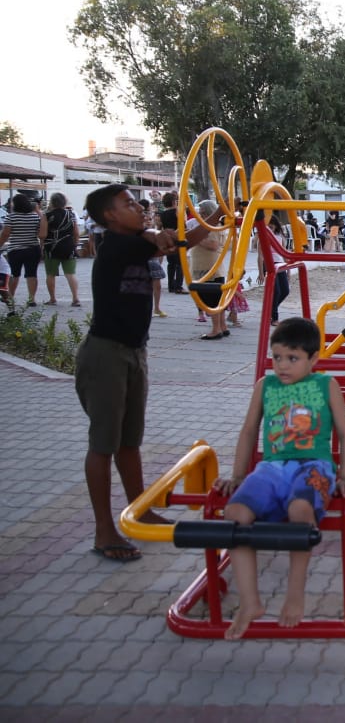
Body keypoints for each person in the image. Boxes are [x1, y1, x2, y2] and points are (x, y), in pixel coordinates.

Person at [210, 318, 345, 638]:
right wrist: (237, 474)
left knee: (300, 512)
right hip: (271, 468)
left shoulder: (325, 385)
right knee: (234, 514)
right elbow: (249, 430)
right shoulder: (266, 386)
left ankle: (295, 593)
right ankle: (251, 603)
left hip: (315, 466)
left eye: (292, 358)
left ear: (313, 359)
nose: (282, 366)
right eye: (277, 357)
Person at [75, 184, 197, 562]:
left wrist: (158, 233)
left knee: (129, 443)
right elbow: (181, 241)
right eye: (128, 204)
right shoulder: (117, 246)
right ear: (109, 216)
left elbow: (168, 239)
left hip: (133, 352)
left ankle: (139, 508)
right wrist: (213, 221)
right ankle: (104, 531)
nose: (138, 208)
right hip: (105, 355)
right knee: (103, 444)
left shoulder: (137, 240)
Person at [189, 199, 230, 339]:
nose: (199, 216)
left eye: (202, 213)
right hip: (211, 268)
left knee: (212, 300)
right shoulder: (214, 226)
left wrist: (195, 238)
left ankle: (216, 329)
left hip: (208, 269)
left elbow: (213, 245)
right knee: (218, 299)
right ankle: (222, 326)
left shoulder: (211, 227)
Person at [0, 194, 47, 307]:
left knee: (14, 274)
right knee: (31, 274)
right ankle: (32, 299)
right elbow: (39, 232)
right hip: (32, 248)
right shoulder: (34, 217)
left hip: (15, 250)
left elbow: (5, 234)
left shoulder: (11, 217)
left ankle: (11, 297)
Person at [42, 191, 81, 306]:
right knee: (70, 274)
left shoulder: (47, 215)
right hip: (68, 246)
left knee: (50, 274)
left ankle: (53, 298)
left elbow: (42, 234)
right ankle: (75, 298)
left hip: (51, 248)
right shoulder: (71, 214)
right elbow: (76, 233)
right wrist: (75, 245)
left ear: (52, 202)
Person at [138, 199, 167, 318]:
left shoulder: (155, 232)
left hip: (153, 261)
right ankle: (146, 308)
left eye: (150, 220)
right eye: (146, 220)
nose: (148, 222)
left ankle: (157, 307)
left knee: (157, 285)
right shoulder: (140, 233)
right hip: (144, 261)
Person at [158, 192, 186, 294]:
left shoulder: (162, 214)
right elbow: (182, 225)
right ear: (174, 202)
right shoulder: (177, 212)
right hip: (177, 238)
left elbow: (160, 227)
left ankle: (171, 286)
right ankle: (178, 286)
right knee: (180, 263)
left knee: (171, 264)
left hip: (167, 239)